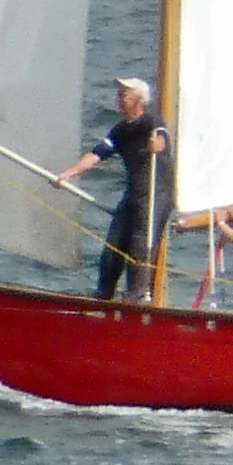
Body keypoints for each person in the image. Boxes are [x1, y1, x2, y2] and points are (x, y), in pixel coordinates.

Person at [56, 77, 171, 302]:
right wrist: (68, 174)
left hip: (157, 196)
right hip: (134, 195)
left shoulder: (151, 120)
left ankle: (135, 299)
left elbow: (162, 138)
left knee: (139, 249)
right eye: (118, 95)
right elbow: (97, 154)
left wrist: (157, 145)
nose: (118, 100)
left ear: (138, 100)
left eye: (123, 96)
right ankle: (103, 296)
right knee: (112, 249)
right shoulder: (120, 130)